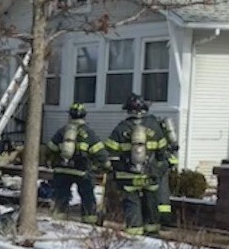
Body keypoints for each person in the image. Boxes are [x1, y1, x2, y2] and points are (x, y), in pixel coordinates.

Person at [104, 93, 175, 235]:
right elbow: (162, 153)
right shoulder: (154, 126)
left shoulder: (121, 128)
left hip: (128, 178)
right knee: (151, 206)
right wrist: (159, 169)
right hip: (150, 176)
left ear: (127, 109)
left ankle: (134, 235)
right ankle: (152, 235)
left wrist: (115, 169)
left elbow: (110, 152)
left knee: (132, 206)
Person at [46, 103, 110, 223]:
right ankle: (89, 221)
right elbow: (99, 152)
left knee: (61, 196)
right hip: (82, 171)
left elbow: (50, 148)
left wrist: (52, 161)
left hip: (62, 170)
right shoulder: (88, 133)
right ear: (84, 116)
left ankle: (57, 220)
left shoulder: (62, 131)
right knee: (87, 197)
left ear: (70, 116)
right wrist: (106, 165)